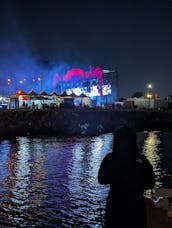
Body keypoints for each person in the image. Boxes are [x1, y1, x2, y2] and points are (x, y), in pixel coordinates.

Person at [98, 126, 155, 228]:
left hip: (115, 208)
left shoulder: (110, 159)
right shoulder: (142, 161)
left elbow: (101, 179)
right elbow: (150, 183)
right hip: (136, 209)